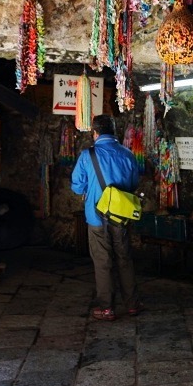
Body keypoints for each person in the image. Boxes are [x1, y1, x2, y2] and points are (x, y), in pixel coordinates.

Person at [71, 114, 143, 321]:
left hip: (96, 216)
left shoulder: (88, 155)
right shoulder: (128, 154)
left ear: (95, 133)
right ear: (114, 132)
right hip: (121, 217)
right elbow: (132, 184)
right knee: (124, 258)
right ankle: (132, 304)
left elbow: (76, 185)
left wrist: (88, 188)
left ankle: (106, 308)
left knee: (102, 261)